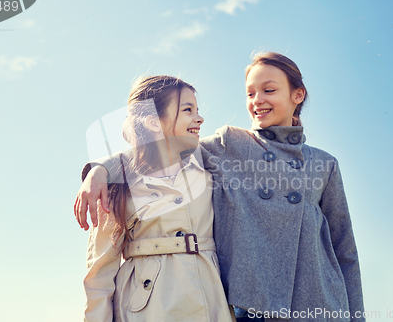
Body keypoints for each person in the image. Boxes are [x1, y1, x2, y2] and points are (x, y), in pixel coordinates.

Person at [76, 53, 365, 322]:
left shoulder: (325, 164)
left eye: (269, 90)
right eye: (250, 93)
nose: (257, 100)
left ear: (297, 95)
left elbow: (345, 250)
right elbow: (157, 147)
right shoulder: (230, 145)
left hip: (321, 304)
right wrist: (100, 169)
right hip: (250, 307)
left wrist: (356, 317)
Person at [82, 75, 235, 322]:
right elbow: (99, 277)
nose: (199, 118)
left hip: (211, 303)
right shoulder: (116, 188)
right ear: (153, 121)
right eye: (188, 110)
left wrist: (99, 167)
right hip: (143, 311)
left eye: (197, 110)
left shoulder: (210, 174)